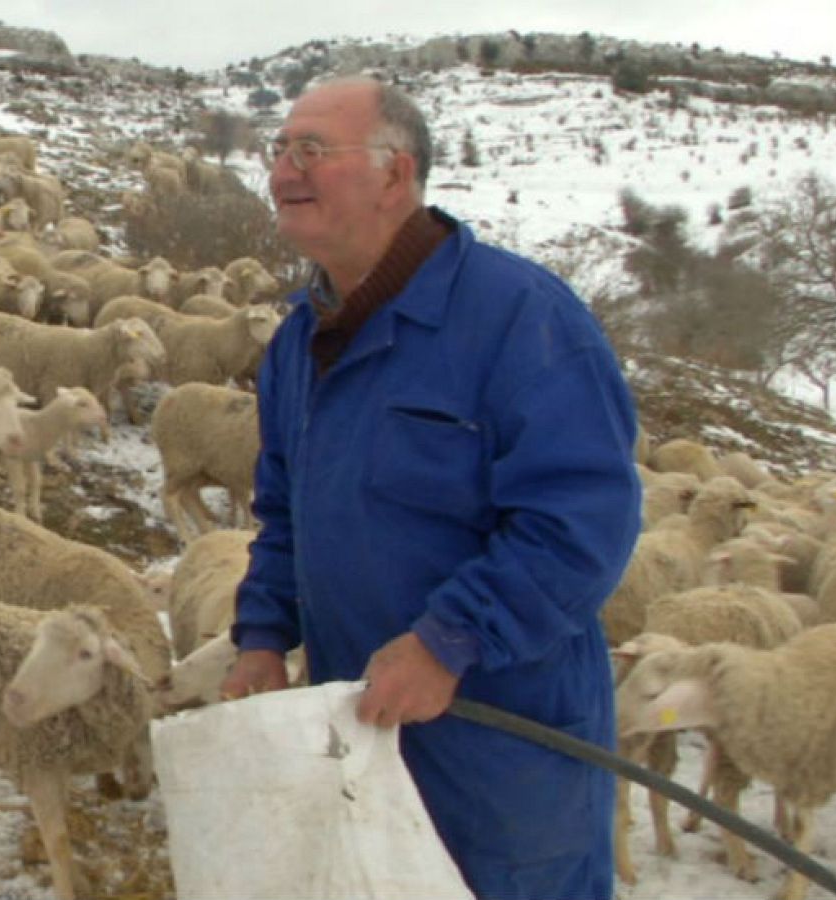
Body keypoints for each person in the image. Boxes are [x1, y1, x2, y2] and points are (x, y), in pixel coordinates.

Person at [220, 76, 641, 900]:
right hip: (361, 729)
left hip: (502, 748)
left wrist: (451, 639)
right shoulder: (299, 343)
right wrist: (263, 636)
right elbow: (285, 516)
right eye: (278, 149)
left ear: (395, 174)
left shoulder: (521, 317)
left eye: (312, 149)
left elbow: (582, 519)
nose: (281, 170)